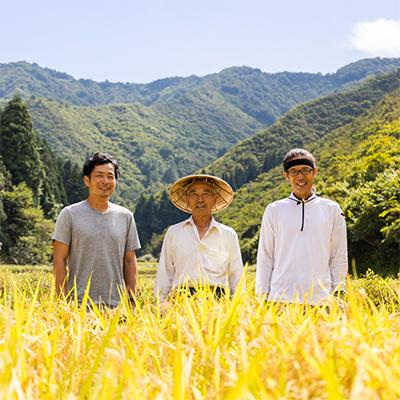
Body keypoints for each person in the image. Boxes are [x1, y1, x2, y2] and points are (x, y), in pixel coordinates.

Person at [256, 148, 348, 305]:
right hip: (280, 299)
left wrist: (338, 292)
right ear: (286, 176)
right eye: (293, 171)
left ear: (315, 172)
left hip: (321, 300)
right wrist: (262, 297)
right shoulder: (274, 210)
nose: (300, 176)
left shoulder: (332, 209)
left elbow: (338, 255)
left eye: (306, 170)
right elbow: (265, 257)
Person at [52, 152, 141, 308]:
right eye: (99, 175)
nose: (105, 181)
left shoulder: (126, 216)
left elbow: (129, 260)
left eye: (110, 176)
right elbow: (59, 260)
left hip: (117, 307)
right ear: (87, 180)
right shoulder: (69, 214)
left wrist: (131, 301)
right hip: (78, 306)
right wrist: (61, 302)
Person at [154, 174, 244, 301]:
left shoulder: (228, 234)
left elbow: (237, 276)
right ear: (187, 199)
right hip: (181, 300)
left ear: (215, 199)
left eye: (206, 194)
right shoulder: (174, 232)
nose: (200, 199)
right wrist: (160, 303)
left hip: (218, 300)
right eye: (194, 194)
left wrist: (238, 306)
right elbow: (165, 272)